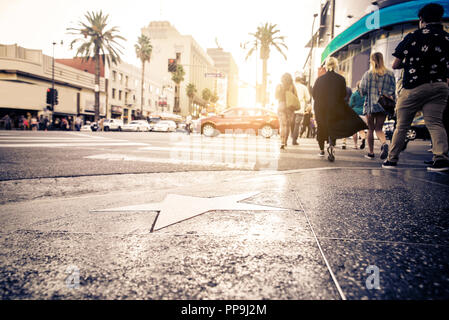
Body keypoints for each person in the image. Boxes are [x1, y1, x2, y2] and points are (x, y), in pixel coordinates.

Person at [383, 3, 449, 171]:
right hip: (440, 85)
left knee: (402, 125)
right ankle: (440, 159)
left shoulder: (413, 37)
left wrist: (411, 63)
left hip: (414, 86)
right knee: (435, 123)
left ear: (422, 20)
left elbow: (395, 64)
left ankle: (391, 160)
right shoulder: (446, 37)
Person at [312, 57, 367, 162]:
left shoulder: (319, 79)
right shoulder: (341, 79)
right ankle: (332, 146)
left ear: (326, 65)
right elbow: (343, 94)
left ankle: (321, 150)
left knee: (322, 127)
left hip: (321, 107)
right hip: (335, 107)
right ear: (336, 65)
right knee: (333, 126)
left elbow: (314, 94)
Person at [360, 52, 396, 160]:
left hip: (370, 105)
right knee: (379, 128)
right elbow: (393, 90)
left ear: (372, 60)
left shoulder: (368, 74)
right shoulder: (390, 73)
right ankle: (384, 143)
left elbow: (362, 90)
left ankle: (371, 153)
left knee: (370, 129)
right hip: (383, 105)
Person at [275, 73, 298, 150]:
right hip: (290, 107)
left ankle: (282, 142)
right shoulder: (292, 86)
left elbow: (275, 96)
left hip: (281, 105)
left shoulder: (279, 85)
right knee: (287, 125)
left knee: (282, 125)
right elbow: (296, 96)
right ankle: (285, 142)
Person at [291, 76, 311, 145]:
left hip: (292, 107)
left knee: (291, 123)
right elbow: (308, 98)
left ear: (295, 80)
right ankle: (294, 140)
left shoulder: (291, 86)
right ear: (301, 81)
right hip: (300, 108)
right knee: (297, 124)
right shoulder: (304, 87)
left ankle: (289, 137)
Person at [349, 81, 367, 150]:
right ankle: (363, 138)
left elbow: (350, 105)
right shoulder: (366, 95)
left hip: (355, 113)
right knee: (361, 129)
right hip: (364, 114)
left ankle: (355, 145)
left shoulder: (354, 94)